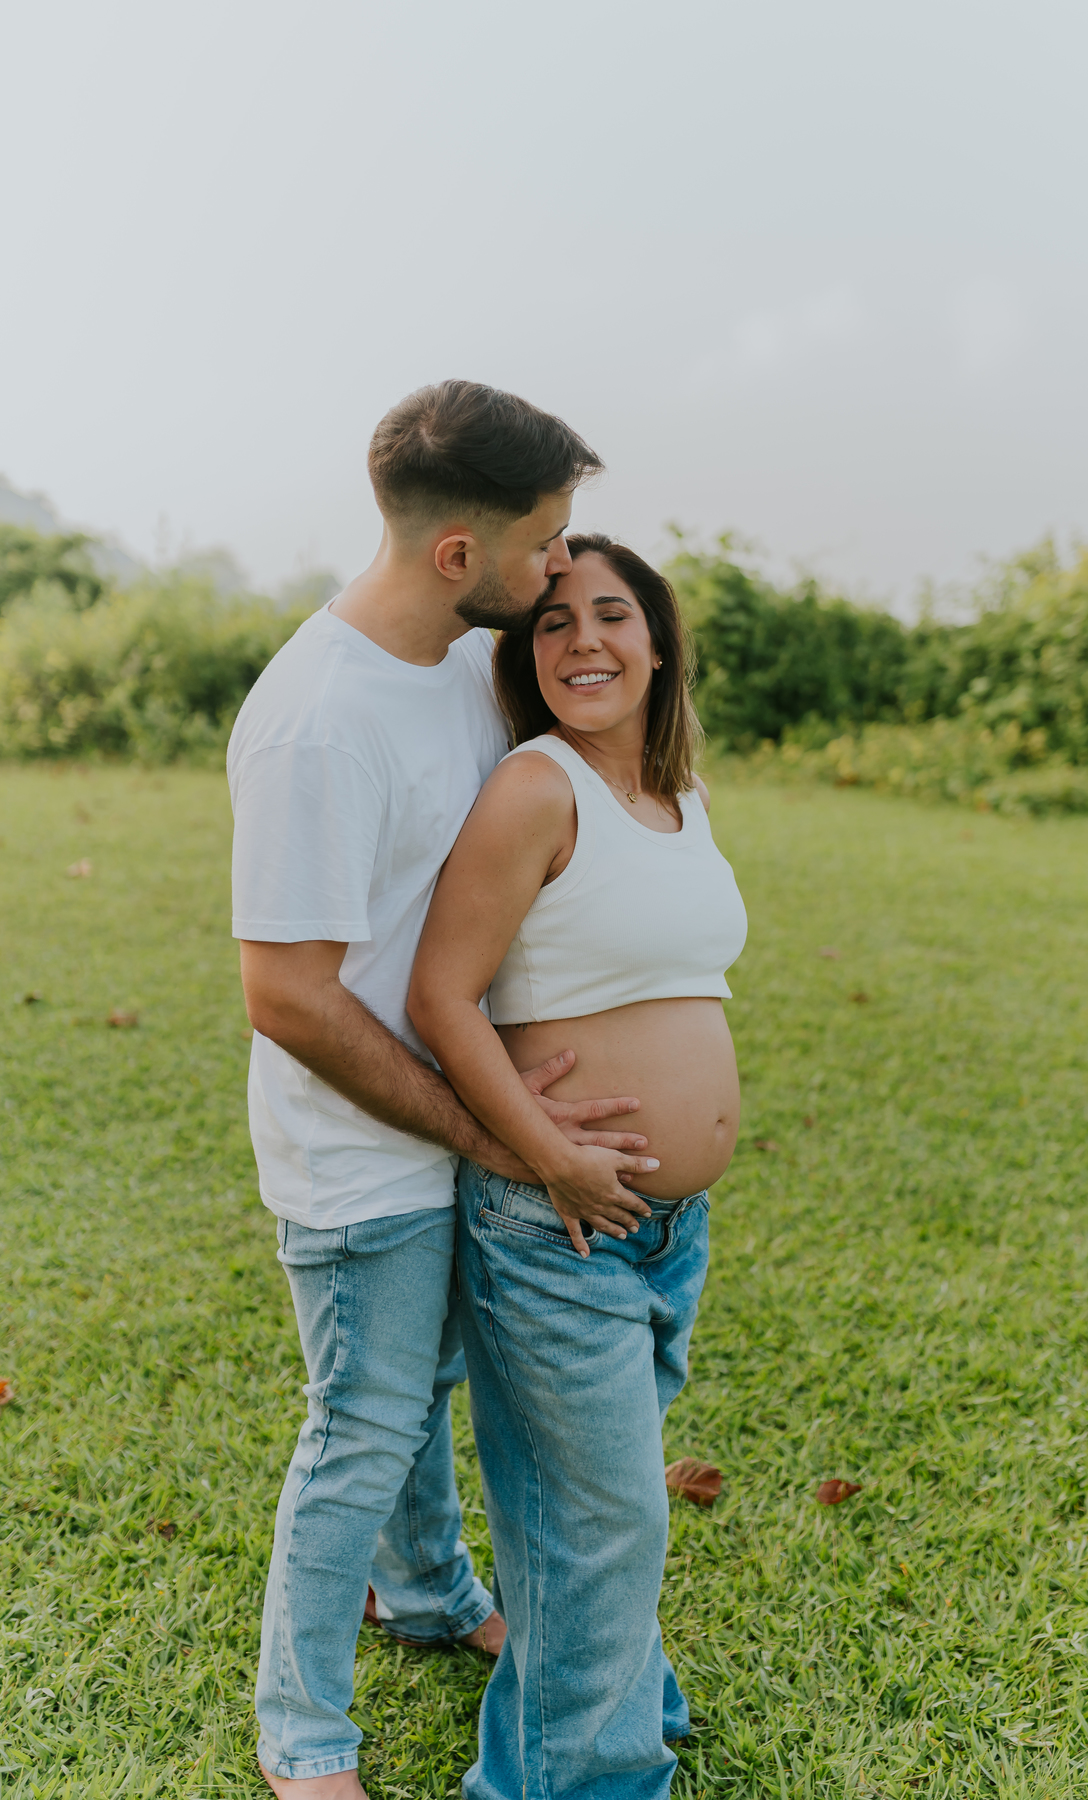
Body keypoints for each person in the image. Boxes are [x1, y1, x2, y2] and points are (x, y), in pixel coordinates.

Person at [227, 387, 661, 1800]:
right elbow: (289, 995)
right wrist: (502, 1135)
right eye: (544, 548)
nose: (560, 575)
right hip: (359, 1160)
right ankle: (301, 1736)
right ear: (460, 555)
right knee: (361, 1426)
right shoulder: (318, 720)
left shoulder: (459, 671)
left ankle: (423, 1595)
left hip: (457, 1125)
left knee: (427, 1391)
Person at [408, 534, 749, 1799]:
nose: (584, 642)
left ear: (659, 642)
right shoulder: (535, 788)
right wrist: (546, 1152)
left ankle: (617, 1690)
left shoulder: (679, 794)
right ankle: (583, 1779)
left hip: (665, 1226)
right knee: (604, 1516)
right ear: (524, 653)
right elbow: (442, 996)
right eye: (552, 623)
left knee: (590, 1514)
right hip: (555, 1219)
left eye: (612, 615)